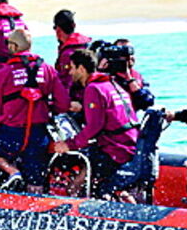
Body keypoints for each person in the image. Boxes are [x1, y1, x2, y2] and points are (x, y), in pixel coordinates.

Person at [0, 29, 69, 193]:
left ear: (13, 46)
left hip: (11, 132)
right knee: (36, 177)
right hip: (38, 133)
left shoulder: (3, 73)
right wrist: (48, 108)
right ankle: (36, 206)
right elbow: (63, 103)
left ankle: (13, 173)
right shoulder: (47, 70)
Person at [52, 49, 138, 196]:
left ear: (81, 68)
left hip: (116, 150)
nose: (70, 73)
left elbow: (94, 127)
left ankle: (72, 211)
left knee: (76, 184)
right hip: (131, 145)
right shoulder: (111, 84)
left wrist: (68, 144)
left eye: (72, 68)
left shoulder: (93, 88)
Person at [97, 41, 155, 112]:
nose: (129, 56)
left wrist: (130, 80)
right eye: (123, 53)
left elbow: (147, 102)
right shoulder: (104, 76)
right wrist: (99, 71)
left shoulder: (136, 76)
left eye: (131, 52)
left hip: (131, 119)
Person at [53, 9, 91, 94]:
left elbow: (65, 83)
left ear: (58, 30)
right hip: (88, 93)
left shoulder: (67, 54)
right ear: (74, 25)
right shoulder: (86, 45)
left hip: (76, 99)